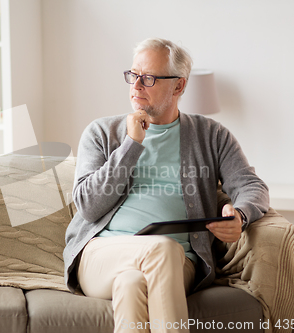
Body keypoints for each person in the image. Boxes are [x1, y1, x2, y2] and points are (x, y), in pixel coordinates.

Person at [63, 37, 269, 333]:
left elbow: (250, 185)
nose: (136, 86)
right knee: (161, 249)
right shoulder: (101, 133)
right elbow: (88, 205)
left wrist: (242, 214)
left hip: (179, 263)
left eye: (148, 78)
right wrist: (131, 145)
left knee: (132, 282)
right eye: (133, 76)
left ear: (179, 86)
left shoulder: (211, 135)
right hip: (102, 253)